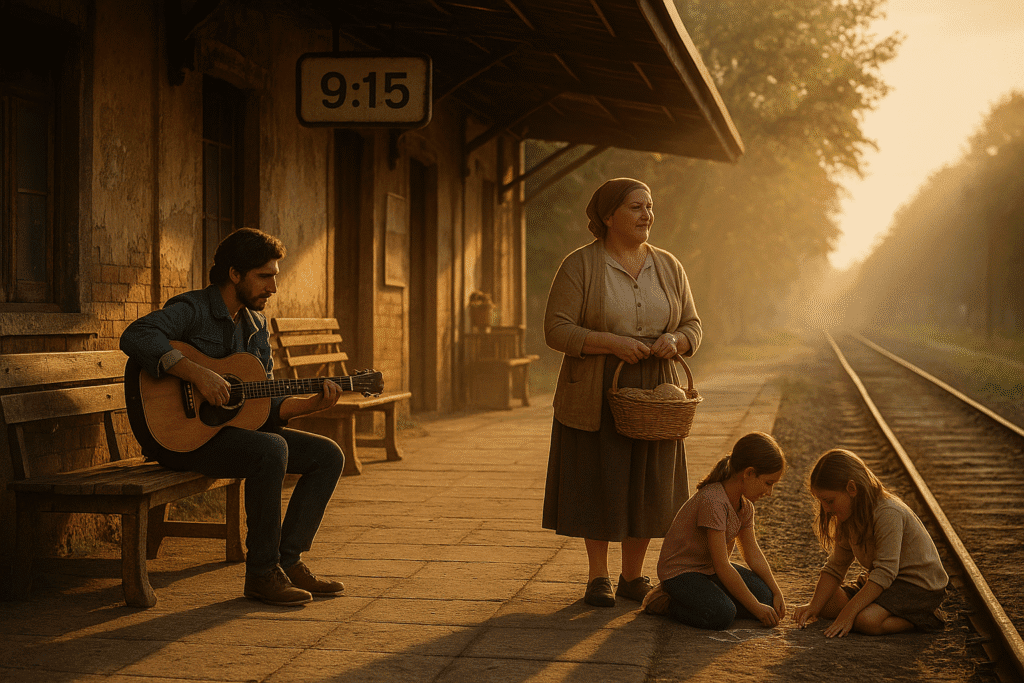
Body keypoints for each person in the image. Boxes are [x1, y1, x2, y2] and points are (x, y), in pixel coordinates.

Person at [120, 228, 347, 607]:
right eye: (265, 276)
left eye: (275, 276)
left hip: (225, 436)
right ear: (235, 274)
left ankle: (289, 562)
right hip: (177, 438)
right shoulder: (193, 309)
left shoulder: (256, 326)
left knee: (328, 455)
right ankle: (261, 573)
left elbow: (264, 406)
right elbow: (137, 335)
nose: (273, 287)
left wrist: (310, 405)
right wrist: (197, 373)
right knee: (270, 449)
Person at [542, 177, 702, 607]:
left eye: (649, 207)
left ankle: (633, 577)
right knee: (599, 477)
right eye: (636, 207)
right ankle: (599, 577)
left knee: (649, 482)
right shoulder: (580, 265)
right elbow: (556, 329)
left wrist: (677, 341)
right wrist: (611, 342)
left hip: (657, 389)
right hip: (596, 389)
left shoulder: (669, 266)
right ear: (608, 215)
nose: (646, 214)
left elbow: (693, 325)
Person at [793, 449, 948, 636]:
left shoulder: (888, 513)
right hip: (886, 583)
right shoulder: (847, 517)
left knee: (865, 621)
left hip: (918, 587)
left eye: (830, 501)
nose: (826, 509)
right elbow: (836, 566)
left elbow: (884, 571)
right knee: (826, 604)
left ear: (852, 489)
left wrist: (848, 614)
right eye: (822, 502)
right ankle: (873, 607)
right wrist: (813, 607)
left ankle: (923, 618)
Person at [641, 432, 787, 629]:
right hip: (681, 573)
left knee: (767, 599)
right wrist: (755, 608)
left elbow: (752, 552)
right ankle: (665, 601)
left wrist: (777, 591)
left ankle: (710, 597)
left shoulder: (745, 506)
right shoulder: (713, 501)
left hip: (709, 571)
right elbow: (722, 565)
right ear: (749, 473)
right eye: (768, 483)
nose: (769, 492)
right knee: (722, 614)